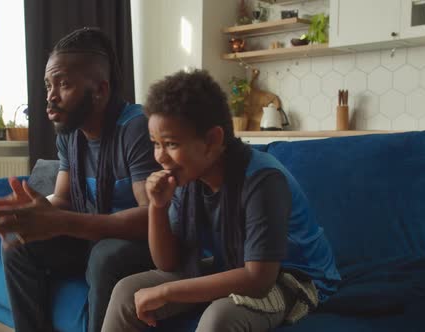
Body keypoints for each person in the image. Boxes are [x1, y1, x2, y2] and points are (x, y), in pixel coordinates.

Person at [101, 70, 341, 332]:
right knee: (126, 292)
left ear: (212, 140)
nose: (160, 157)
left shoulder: (262, 181)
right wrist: (158, 207)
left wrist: (167, 291)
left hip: (292, 278)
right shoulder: (188, 176)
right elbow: (167, 263)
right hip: (230, 262)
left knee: (220, 317)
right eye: (155, 144)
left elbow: (258, 278)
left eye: (170, 144)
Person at [0, 27, 160, 332]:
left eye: (64, 84)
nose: (50, 96)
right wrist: (30, 213)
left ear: (100, 89)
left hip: (145, 246)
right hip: (95, 236)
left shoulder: (136, 129)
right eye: (48, 84)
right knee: (16, 244)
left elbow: (154, 218)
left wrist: (64, 222)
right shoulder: (72, 133)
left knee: (105, 255)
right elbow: (63, 199)